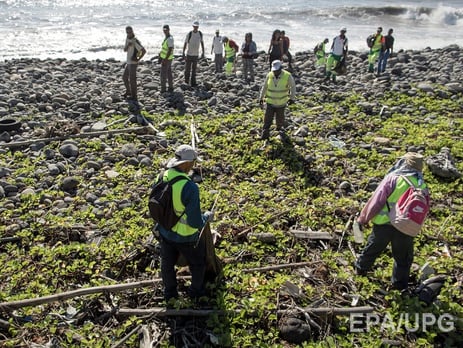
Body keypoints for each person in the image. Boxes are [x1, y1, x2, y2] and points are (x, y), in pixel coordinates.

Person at [354, 152, 430, 291]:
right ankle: (398, 287)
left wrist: (363, 218)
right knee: (403, 260)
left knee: (372, 249)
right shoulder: (421, 185)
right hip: (405, 227)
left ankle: (360, 271)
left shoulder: (393, 178)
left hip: (384, 223)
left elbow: (377, 201)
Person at [157, 144, 213, 303]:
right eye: (193, 163)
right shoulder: (190, 187)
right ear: (186, 164)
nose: (193, 166)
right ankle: (196, 293)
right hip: (185, 236)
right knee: (198, 264)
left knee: (167, 265)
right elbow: (195, 222)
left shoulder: (162, 176)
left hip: (165, 231)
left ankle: (170, 294)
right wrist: (206, 217)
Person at [259, 60, 296, 141]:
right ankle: (265, 134)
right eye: (274, 71)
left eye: (277, 70)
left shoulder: (287, 76)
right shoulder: (269, 75)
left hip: (281, 103)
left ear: (280, 69)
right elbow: (264, 87)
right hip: (270, 102)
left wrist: (292, 98)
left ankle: (280, 132)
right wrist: (261, 97)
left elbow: (292, 87)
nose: (275, 72)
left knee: (280, 119)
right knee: (267, 119)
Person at [122, 26, 146, 101]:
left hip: (133, 62)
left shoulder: (135, 41)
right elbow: (125, 50)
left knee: (132, 80)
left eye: (130, 32)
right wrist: (127, 46)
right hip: (128, 62)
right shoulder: (127, 38)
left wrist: (138, 59)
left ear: (132, 31)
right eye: (127, 32)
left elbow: (144, 51)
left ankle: (134, 96)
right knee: (124, 77)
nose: (129, 33)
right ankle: (128, 91)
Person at [183, 21, 205, 87]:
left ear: (198, 27)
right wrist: (183, 52)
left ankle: (193, 83)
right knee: (187, 69)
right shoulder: (189, 34)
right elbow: (185, 43)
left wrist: (203, 52)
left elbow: (202, 43)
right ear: (193, 26)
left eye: (196, 26)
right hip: (189, 54)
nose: (195, 27)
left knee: (194, 70)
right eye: (194, 26)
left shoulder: (200, 34)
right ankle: (186, 82)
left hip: (196, 55)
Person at [159, 24, 174, 93]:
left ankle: (163, 89)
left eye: (166, 30)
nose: (165, 31)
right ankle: (171, 87)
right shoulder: (167, 37)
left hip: (167, 59)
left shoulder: (170, 39)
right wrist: (160, 56)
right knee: (168, 73)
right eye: (164, 30)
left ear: (169, 30)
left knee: (163, 74)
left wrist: (165, 59)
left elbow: (170, 49)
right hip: (167, 58)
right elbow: (164, 48)